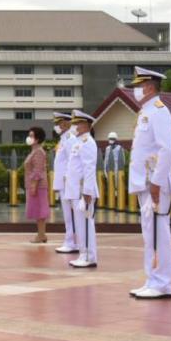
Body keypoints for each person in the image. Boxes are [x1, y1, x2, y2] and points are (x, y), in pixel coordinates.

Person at [128, 67, 171, 300]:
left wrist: (156, 181)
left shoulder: (159, 111)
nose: (135, 90)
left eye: (138, 86)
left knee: (158, 233)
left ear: (148, 87)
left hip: (154, 183)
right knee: (150, 234)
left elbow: (168, 148)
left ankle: (162, 282)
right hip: (145, 182)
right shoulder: (146, 112)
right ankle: (152, 279)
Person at [66, 110, 100, 268]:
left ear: (86, 125)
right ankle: (83, 253)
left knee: (86, 224)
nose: (75, 126)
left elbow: (89, 168)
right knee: (80, 225)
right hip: (76, 191)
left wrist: (87, 191)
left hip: (83, 192)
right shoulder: (79, 142)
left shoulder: (88, 142)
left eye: (77, 123)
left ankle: (89, 256)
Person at [51, 112, 76, 253]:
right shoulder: (63, 139)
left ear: (66, 123)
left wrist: (68, 179)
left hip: (68, 182)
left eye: (59, 123)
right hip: (63, 182)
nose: (57, 126)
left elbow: (73, 161)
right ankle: (70, 240)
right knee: (67, 214)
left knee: (70, 214)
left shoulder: (70, 139)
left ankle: (71, 242)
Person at [23, 126, 49, 242]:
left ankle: (41, 235)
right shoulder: (34, 151)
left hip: (38, 186)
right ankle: (42, 234)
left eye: (31, 136)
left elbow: (37, 170)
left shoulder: (38, 152)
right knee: (37, 211)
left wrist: (34, 185)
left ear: (37, 139)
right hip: (34, 185)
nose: (29, 138)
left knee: (40, 211)